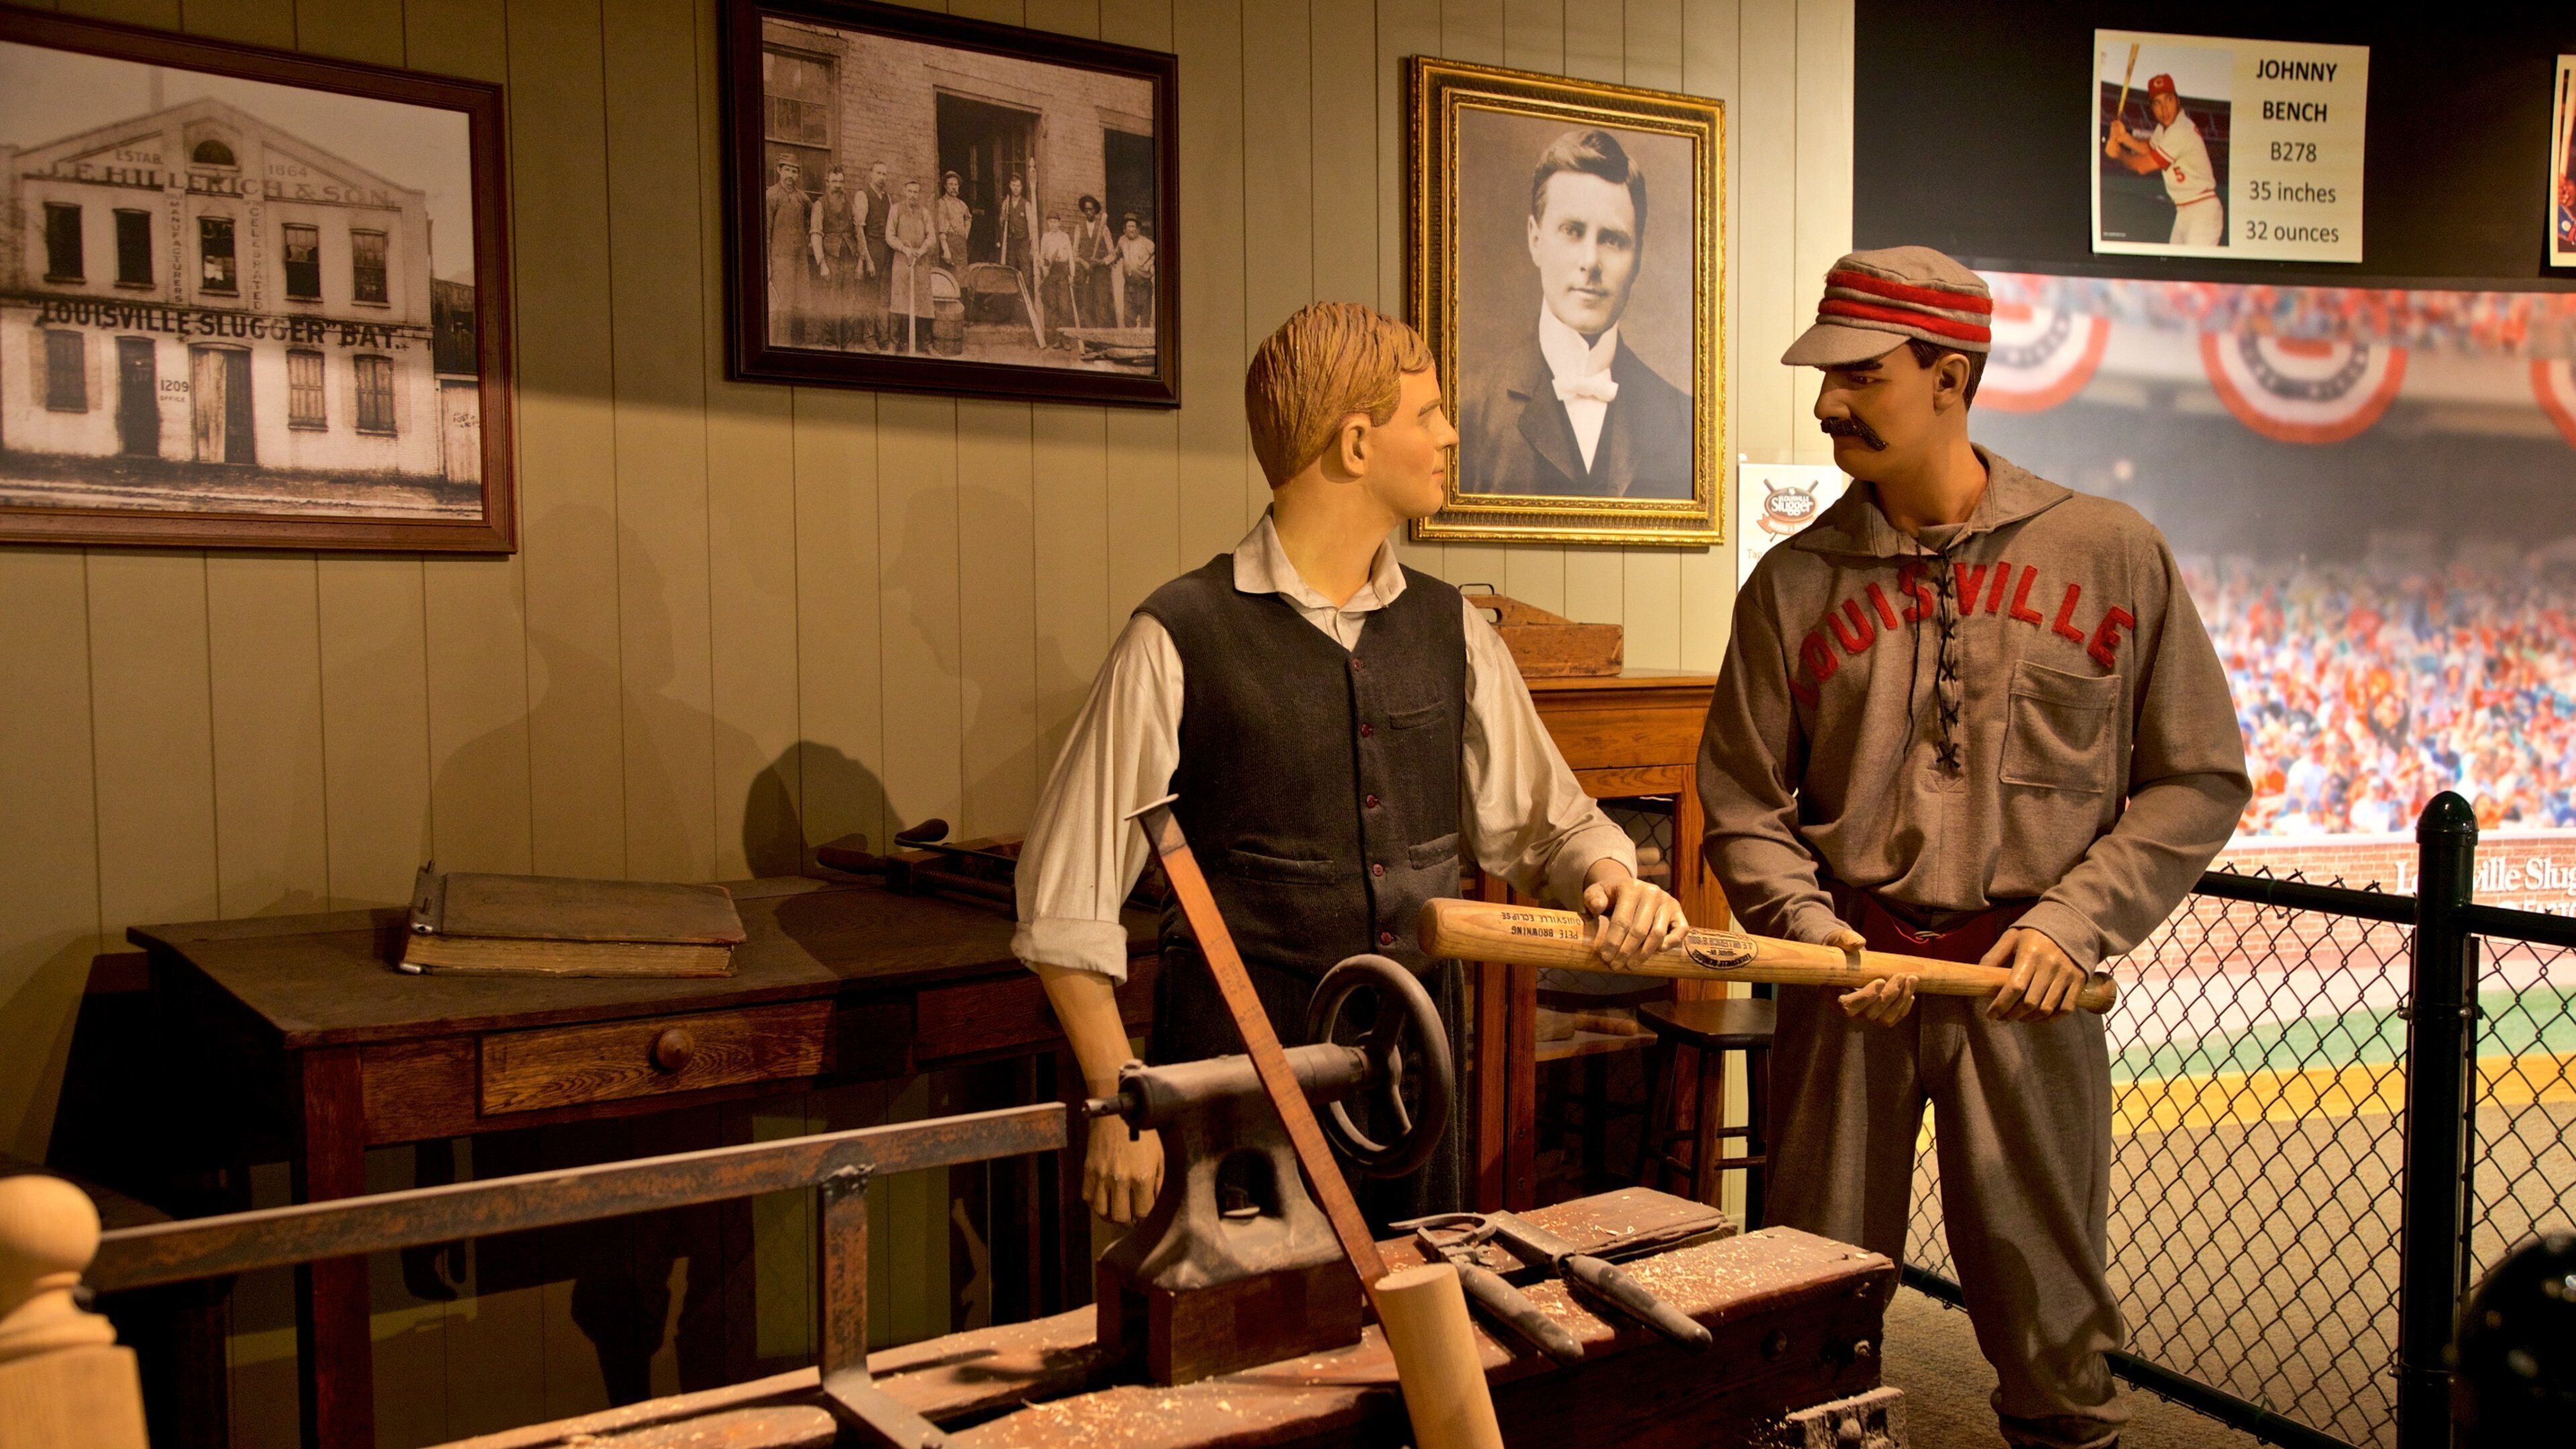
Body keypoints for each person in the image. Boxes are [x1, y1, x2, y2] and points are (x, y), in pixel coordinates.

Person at [1697, 246, 2252, 1449]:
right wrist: (1809, 930)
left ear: (1950, 377)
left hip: (2027, 988)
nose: (1827, 401)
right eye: (1826, 374)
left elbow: (2197, 774)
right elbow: (1740, 800)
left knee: (2052, 1308)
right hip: (1848, 989)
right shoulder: (1792, 585)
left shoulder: (2108, 552)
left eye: (1861, 374)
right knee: (1809, 1292)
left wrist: (2074, 919)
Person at [1016, 301, 1688, 1226]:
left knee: (1411, 1342)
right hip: (1239, 1098)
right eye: (1428, 414)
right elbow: (1065, 906)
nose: (1451, 434)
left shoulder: (1450, 628)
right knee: (1253, 1361)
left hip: (1413, 1092)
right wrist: (1117, 1104)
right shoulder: (1177, 637)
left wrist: (1615, 878)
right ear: (1358, 442)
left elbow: (1549, 824)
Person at [1456, 127, 1693, 500]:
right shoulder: (1469, 411)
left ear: (1639, 256)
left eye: (1612, 239)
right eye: (1572, 231)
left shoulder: (1681, 417)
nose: (1590, 262)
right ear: (1535, 239)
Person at [2105, 74, 2223, 248]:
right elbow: (2149, 148)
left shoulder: (2181, 130)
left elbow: (2142, 166)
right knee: (2175, 272)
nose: (2164, 108)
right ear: (2152, 108)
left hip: (2202, 211)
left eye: (2168, 100)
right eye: (2157, 103)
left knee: (2192, 273)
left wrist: (2119, 154)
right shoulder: (2165, 129)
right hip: (2183, 211)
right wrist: (2125, 138)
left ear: (2177, 101)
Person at [808, 165, 870, 351]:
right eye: (834, 181)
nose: (838, 186)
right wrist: (822, 263)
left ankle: (848, 343)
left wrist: (860, 262)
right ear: (827, 183)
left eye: (841, 182)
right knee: (831, 301)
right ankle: (830, 343)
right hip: (831, 259)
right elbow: (816, 234)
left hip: (850, 259)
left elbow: (859, 234)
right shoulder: (820, 205)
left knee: (850, 302)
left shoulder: (850, 204)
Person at [761, 156, 810, 344]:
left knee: (800, 303)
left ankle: (797, 348)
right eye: (788, 170)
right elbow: (765, 232)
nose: (791, 175)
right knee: (782, 306)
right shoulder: (771, 195)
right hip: (780, 260)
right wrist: (767, 264)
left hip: (800, 259)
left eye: (795, 171)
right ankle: (779, 347)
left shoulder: (801, 197)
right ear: (779, 170)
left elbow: (812, 216)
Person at [887, 178, 936, 352]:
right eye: (910, 191)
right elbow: (890, 236)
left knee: (924, 303)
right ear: (904, 191)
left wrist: (920, 251)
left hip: (921, 262)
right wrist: (904, 249)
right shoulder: (896, 210)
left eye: (916, 192)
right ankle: (894, 343)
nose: (913, 195)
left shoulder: (924, 213)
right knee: (898, 302)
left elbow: (932, 238)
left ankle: (927, 344)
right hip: (902, 261)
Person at [859, 161, 896, 350]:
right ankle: (869, 338)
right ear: (871, 175)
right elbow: (860, 231)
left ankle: (883, 337)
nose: (883, 177)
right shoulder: (863, 195)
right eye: (879, 173)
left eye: (885, 174)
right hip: (872, 249)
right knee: (870, 297)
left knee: (884, 297)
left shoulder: (888, 198)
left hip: (887, 251)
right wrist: (867, 259)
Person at [1074, 194, 1117, 333]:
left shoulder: (1103, 228)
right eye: (1086, 210)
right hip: (1085, 272)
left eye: (1091, 210)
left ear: (1095, 211)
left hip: (1101, 273)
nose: (1089, 212)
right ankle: (1089, 339)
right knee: (1086, 304)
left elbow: (1113, 253)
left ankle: (1102, 337)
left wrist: (1101, 262)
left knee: (1102, 303)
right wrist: (1084, 263)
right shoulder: (1079, 228)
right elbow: (1075, 253)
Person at [1037, 211, 1079, 347]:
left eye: (1055, 221)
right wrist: (1044, 269)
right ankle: (1056, 339)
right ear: (1048, 223)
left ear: (1059, 223)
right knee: (1053, 306)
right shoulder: (1045, 237)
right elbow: (1042, 257)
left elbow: (1071, 257)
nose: (1053, 224)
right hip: (1051, 273)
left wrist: (1072, 274)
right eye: (1050, 221)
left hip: (1062, 273)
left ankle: (1065, 339)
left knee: (1064, 307)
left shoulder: (1065, 237)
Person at [1114, 214, 1155, 329]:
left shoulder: (1146, 242)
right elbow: (1115, 254)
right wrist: (1102, 262)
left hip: (1144, 287)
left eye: (1133, 226)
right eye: (1129, 226)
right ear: (1125, 229)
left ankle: (1145, 346)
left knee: (1145, 319)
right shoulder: (1122, 241)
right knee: (1128, 318)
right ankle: (1130, 345)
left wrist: (1149, 264)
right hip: (1129, 287)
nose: (1131, 229)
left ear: (1137, 228)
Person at [936, 170, 975, 272]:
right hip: (949, 245)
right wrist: (946, 250)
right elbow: (941, 231)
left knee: (963, 278)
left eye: (956, 185)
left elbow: (968, 218)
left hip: (961, 245)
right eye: (951, 184)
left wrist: (966, 232)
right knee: (951, 278)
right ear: (945, 186)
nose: (954, 187)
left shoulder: (962, 204)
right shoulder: (942, 203)